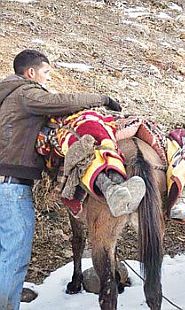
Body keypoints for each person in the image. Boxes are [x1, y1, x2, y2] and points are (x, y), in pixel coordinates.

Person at [0, 49, 123, 310]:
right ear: (31, 72)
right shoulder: (25, 93)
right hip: (11, 186)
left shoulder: (5, 96)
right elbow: (61, 101)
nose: (47, 79)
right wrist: (103, 98)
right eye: (45, 73)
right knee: (14, 253)